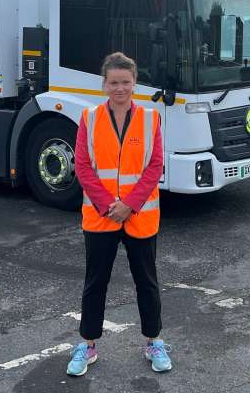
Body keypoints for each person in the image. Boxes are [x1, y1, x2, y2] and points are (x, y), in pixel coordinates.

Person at [66, 52, 172, 376]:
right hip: (101, 216)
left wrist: (130, 204)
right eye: (114, 82)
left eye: (126, 82)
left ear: (135, 83)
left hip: (139, 215)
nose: (120, 88)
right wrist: (108, 205)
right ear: (104, 84)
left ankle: (154, 341)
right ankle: (88, 345)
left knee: (147, 282)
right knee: (95, 282)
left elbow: (155, 166)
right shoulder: (90, 118)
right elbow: (82, 166)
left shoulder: (151, 118)